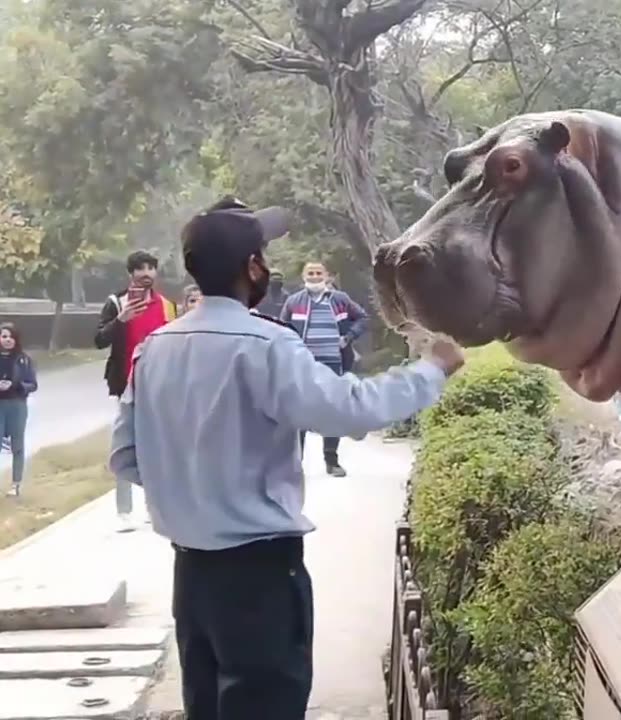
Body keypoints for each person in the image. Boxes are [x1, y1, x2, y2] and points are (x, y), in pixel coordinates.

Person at [107, 196, 464, 720]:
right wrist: (433, 369)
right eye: (263, 255)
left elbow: (125, 457)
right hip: (260, 577)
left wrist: (190, 488)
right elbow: (347, 410)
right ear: (252, 267)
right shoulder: (265, 345)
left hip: (192, 579)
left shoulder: (154, 348)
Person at [95, 250, 177, 531]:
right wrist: (122, 319)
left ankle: (153, 506)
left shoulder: (167, 305)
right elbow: (98, 340)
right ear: (130, 274)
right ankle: (123, 511)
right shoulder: (115, 303)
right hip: (125, 384)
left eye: (151, 268)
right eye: (140, 268)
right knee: (125, 445)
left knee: (157, 446)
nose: (146, 273)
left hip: (159, 383)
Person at [279, 261, 370, 477]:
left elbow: (363, 318)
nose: (314, 276)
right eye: (310, 273)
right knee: (299, 413)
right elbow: (281, 328)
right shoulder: (294, 302)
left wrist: (348, 337)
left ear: (327, 276)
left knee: (332, 411)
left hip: (333, 363)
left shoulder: (340, 300)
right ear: (303, 276)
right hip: (303, 365)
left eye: (318, 272)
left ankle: (332, 461)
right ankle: (295, 464)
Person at [0, 323, 36, 497]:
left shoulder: (23, 359)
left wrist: (16, 385)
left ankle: (15, 484)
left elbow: (33, 384)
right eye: (4, 336)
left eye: (10, 337)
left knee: (17, 445)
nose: (7, 340)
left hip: (17, 404)